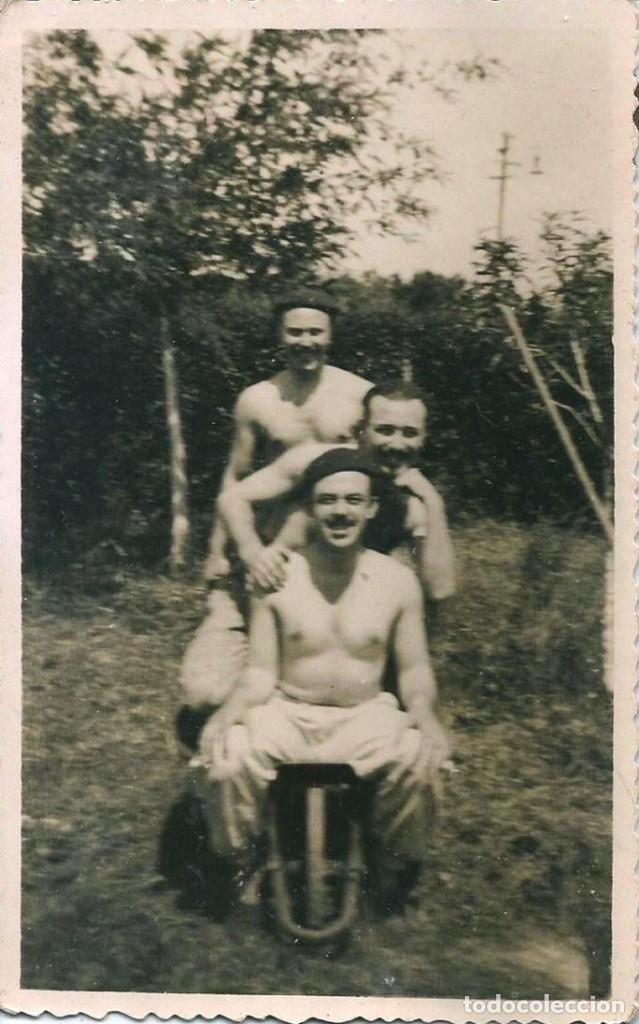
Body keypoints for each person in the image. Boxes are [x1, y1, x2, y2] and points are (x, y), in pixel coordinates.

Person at [193, 449, 451, 910]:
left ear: (371, 508)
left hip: (364, 716)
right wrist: (227, 715)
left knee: (419, 755)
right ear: (310, 509)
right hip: (289, 712)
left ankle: (391, 863)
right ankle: (241, 858)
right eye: (327, 500)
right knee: (228, 753)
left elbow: (414, 670)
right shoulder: (277, 577)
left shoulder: (397, 582)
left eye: (353, 500)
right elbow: (260, 673)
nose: (340, 512)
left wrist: (425, 716)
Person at [178, 290, 371, 733]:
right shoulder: (257, 399)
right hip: (267, 550)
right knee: (203, 691)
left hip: (335, 553)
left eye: (316, 331)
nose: (306, 341)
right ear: (279, 336)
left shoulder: (360, 395)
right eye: (295, 332)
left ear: (331, 335)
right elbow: (235, 477)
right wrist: (218, 552)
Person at [217, 380, 455, 602]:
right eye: (385, 430)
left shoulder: (413, 502)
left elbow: (440, 589)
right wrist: (254, 554)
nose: (397, 444)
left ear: (423, 438)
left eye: (410, 433)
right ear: (361, 430)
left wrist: (434, 501)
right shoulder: (317, 460)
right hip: (266, 583)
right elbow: (232, 498)